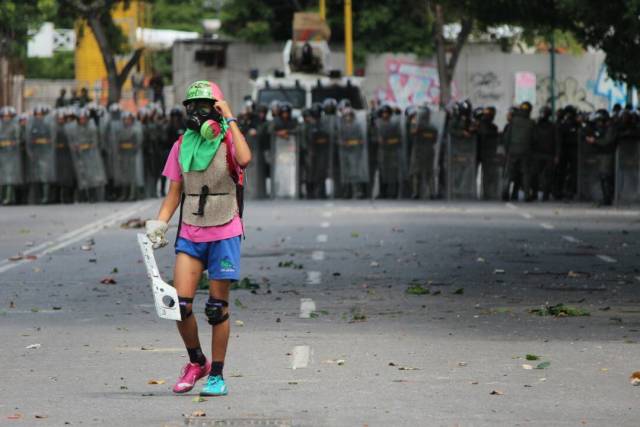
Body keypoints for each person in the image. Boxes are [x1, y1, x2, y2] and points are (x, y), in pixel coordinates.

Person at [145, 80, 251, 397]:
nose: (197, 112)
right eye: (192, 106)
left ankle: (217, 374)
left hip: (225, 227)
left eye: (205, 106)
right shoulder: (182, 145)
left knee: (217, 308)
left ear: (216, 108)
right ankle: (197, 362)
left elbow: (245, 159)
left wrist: (230, 118)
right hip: (191, 229)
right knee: (179, 304)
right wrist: (160, 223)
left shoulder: (229, 141)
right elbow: (174, 193)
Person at [502, 101, 535, 201]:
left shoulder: (513, 121)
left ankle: (505, 192)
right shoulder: (531, 122)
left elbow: (507, 136)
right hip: (525, 151)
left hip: (512, 150)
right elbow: (534, 138)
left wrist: (507, 149)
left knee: (508, 173)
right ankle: (526, 195)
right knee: (525, 173)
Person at [531, 106, 558, 201]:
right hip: (544, 154)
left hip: (543, 154)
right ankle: (541, 194)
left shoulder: (538, 125)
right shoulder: (550, 126)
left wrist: (557, 155)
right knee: (542, 175)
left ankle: (539, 194)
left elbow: (557, 141)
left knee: (541, 175)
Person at [0, 106, 23, 205]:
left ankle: (9, 198)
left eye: (8, 116)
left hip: (11, 154)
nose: (6, 118)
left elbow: (18, 139)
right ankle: (2, 197)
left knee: (9, 176)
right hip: (1, 153)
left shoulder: (15, 126)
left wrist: (12, 143)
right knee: (2, 176)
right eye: (5, 116)